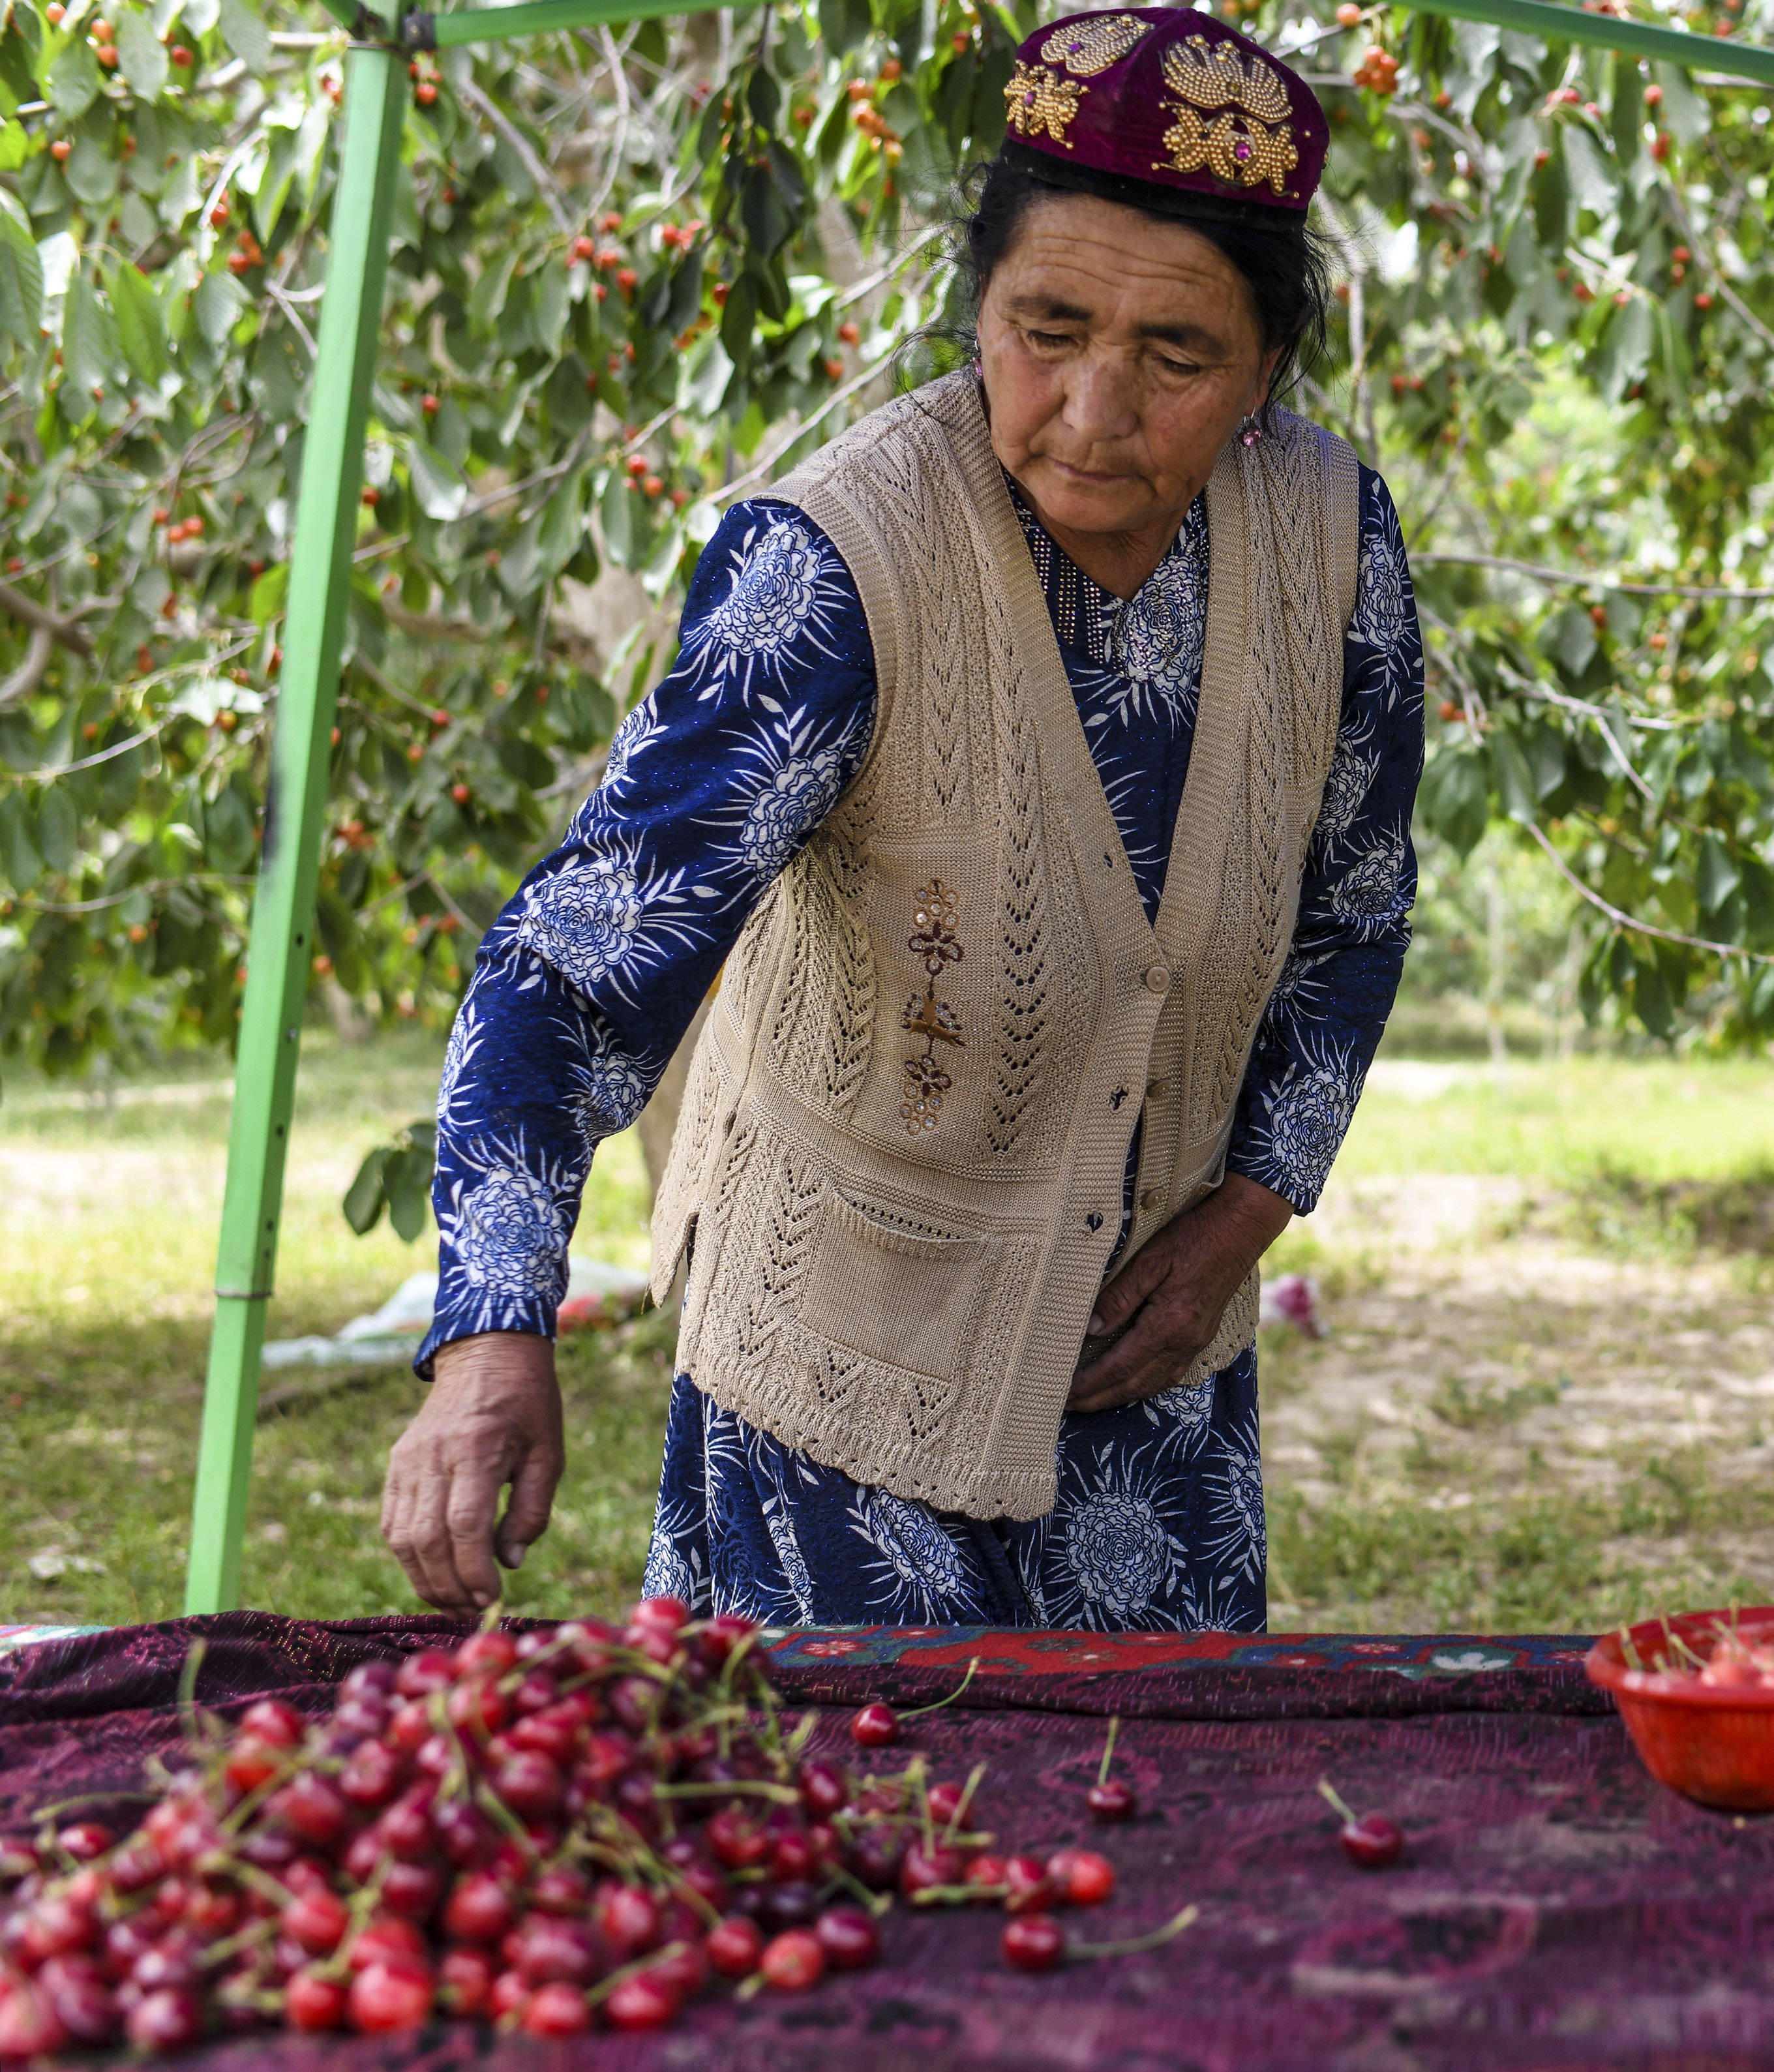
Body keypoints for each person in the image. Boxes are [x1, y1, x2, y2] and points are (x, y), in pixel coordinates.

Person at [380, 7, 1423, 1632]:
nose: (1090, 412)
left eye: (1175, 356)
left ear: (1268, 370)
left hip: (1153, 1394)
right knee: (853, 1840)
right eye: (1045, 327)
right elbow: (571, 966)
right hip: (837, 1382)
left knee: (1157, 1849)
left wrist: (1244, 1216)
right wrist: (490, 1331)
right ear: (976, 308)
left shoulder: (1329, 537)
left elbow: (1355, 905)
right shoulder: (828, 569)